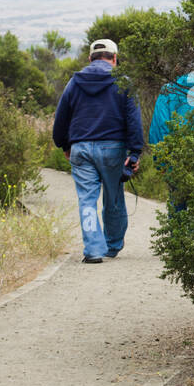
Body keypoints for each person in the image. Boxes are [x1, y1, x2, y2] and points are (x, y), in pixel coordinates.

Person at [51, 39, 143, 264]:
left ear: (89, 59)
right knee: (113, 198)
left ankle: (93, 250)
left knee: (87, 200)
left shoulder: (75, 82)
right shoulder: (123, 82)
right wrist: (135, 152)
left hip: (80, 149)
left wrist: (64, 145)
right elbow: (133, 119)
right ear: (114, 58)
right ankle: (112, 246)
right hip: (113, 148)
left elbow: (61, 117)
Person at [148, 71, 194, 213]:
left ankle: (178, 234)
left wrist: (161, 163)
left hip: (175, 159)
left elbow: (159, 128)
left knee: (177, 205)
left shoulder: (168, 91)